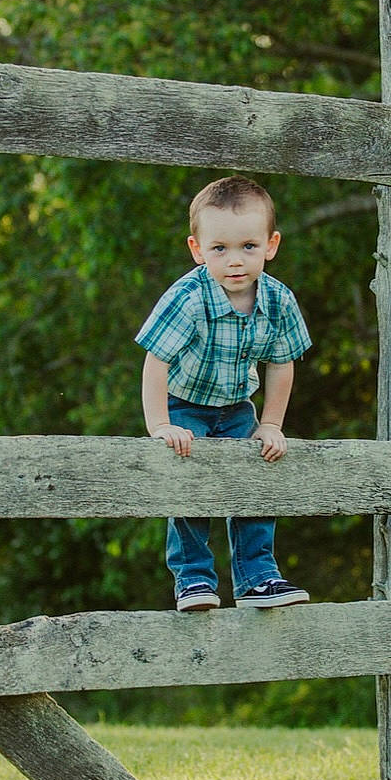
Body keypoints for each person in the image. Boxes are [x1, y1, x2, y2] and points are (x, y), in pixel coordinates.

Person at [135, 174, 312, 612]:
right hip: (185, 404)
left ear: (270, 245)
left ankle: (257, 577)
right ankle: (193, 580)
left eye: (248, 247)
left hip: (237, 407)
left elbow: (281, 362)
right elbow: (155, 360)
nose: (236, 261)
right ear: (198, 250)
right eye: (220, 249)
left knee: (256, 476)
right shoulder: (189, 298)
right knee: (190, 482)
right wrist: (161, 425)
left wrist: (270, 423)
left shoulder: (278, 300)